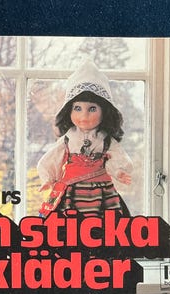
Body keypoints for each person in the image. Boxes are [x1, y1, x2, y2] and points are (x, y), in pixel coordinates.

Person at [37, 59, 133, 218]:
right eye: (77, 108)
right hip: (71, 190)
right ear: (69, 111)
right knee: (68, 223)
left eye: (92, 109)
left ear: (104, 111)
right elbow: (51, 158)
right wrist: (48, 178)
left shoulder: (105, 139)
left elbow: (119, 156)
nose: (84, 115)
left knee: (105, 223)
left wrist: (119, 171)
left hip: (101, 191)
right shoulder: (68, 139)